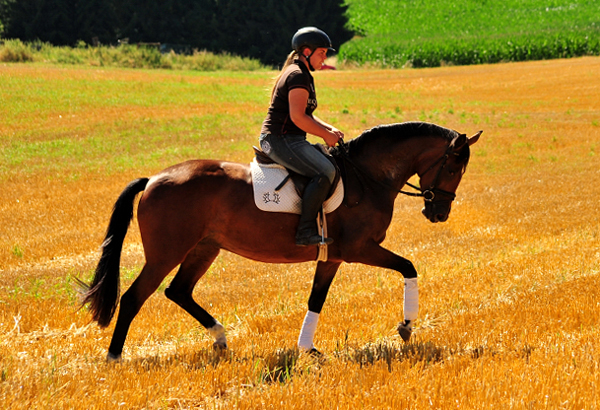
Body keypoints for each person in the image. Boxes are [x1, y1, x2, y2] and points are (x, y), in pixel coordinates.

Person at [259, 27, 345, 247]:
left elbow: (306, 114)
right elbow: (298, 118)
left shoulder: (302, 73)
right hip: (280, 140)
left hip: (288, 139)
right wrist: (325, 135)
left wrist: (329, 129)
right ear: (306, 51)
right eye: (322, 52)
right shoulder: (297, 75)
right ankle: (305, 232)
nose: (325, 57)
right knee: (326, 171)